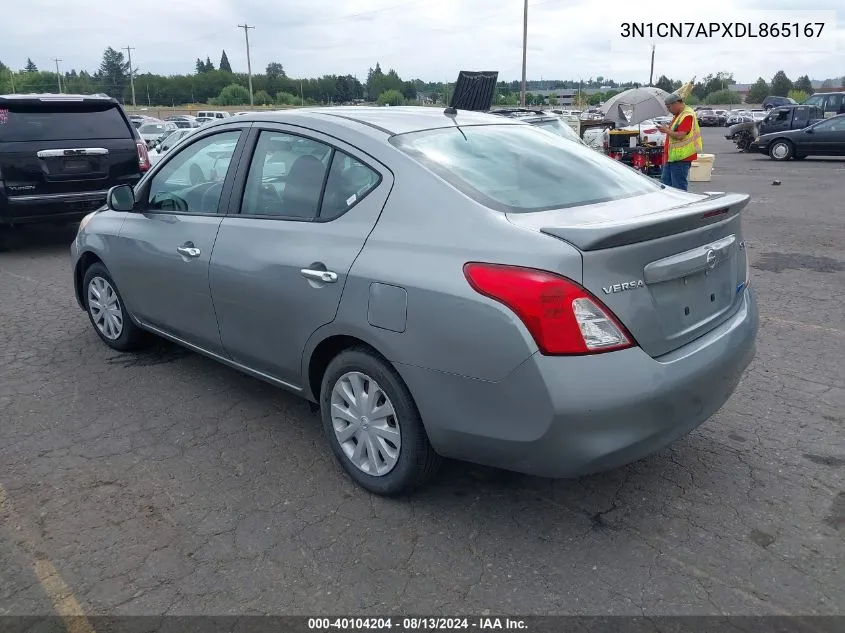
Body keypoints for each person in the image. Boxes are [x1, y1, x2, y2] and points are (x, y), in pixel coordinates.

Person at [657, 94, 702, 191]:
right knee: (666, 185)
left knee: (678, 187)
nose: (668, 110)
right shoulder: (679, 115)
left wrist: (666, 130)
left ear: (676, 103)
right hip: (674, 157)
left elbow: (681, 135)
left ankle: (681, 205)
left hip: (681, 157)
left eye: (669, 107)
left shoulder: (687, 115)